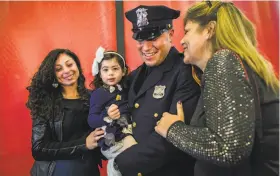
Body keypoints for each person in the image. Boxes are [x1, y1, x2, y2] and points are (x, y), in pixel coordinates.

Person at [155, 1, 279, 176]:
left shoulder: (223, 61)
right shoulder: (237, 64)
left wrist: (173, 129)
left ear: (209, 30)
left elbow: (228, 148)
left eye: (188, 31)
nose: (182, 40)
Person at [104, 5, 201, 176]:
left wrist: (122, 163)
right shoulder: (135, 76)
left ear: (170, 34)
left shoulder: (185, 72)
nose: (146, 47)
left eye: (153, 37)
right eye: (140, 40)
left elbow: (175, 137)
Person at [26, 49, 104, 176]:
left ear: (77, 66)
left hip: (88, 170)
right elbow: (38, 148)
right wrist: (83, 144)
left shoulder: (94, 97)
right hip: (58, 171)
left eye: (69, 64)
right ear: (53, 74)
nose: (66, 71)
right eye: (58, 69)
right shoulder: (47, 102)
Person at [88, 47, 137, 176]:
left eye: (115, 69)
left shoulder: (124, 89)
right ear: (99, 73)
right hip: (110, 136)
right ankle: (114, 166)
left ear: (123, 71)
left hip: (126, 131)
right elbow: (91, 120)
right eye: (105, 70)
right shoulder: (98, 94)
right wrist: (107, 116)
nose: (110, 73)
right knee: (131, 152)